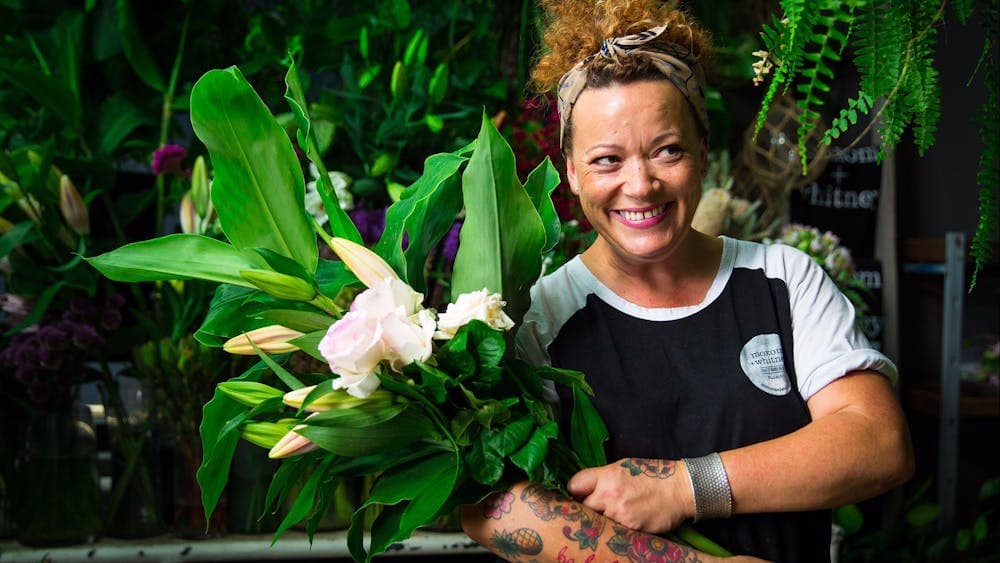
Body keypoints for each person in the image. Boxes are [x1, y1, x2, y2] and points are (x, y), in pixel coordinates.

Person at [461, 1, 915, 561]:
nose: (641, 184)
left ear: (702, 152)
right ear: (571, 172)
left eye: (666, 150)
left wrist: (685, 487)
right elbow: (494, 504)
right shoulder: (542, 318)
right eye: (607, 160)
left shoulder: (783, 281)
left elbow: (879, 443)